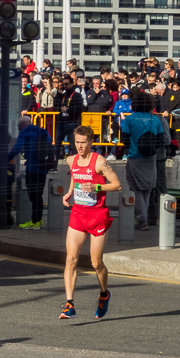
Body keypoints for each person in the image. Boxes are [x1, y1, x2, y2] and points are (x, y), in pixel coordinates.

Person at [60, 126, 121, 320]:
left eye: (83, 142)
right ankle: (69, 304)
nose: (79, 146)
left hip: (97, 215)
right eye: (77, 142)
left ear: (90, 143)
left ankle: (104, 294)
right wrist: (70, 192)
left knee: (96, 262)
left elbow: (117, 185)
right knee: (71, 259)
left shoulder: (100, 162)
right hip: (78, 214)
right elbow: (75, 178)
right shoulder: (71, 160)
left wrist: (96, 186)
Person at [121, 92, 169, 231]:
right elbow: (161, 140)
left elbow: (124, 139)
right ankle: (145, 217)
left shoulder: (130, 119)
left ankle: (142, 219)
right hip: (151, 158)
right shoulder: (155, 120)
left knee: (136, 189)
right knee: (148, 189)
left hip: (135, 157)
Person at [9, 116, 53, 229]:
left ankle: (35, 222)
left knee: (33, 195)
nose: (19, 129)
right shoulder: (42, 132)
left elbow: (17, 148)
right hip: (43, 168)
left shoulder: (25, 133)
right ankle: (38, 220)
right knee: (39, 194)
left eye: (19, 127)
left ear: (23, 124)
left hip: (33, 168)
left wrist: (6, 158)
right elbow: (49, 146)